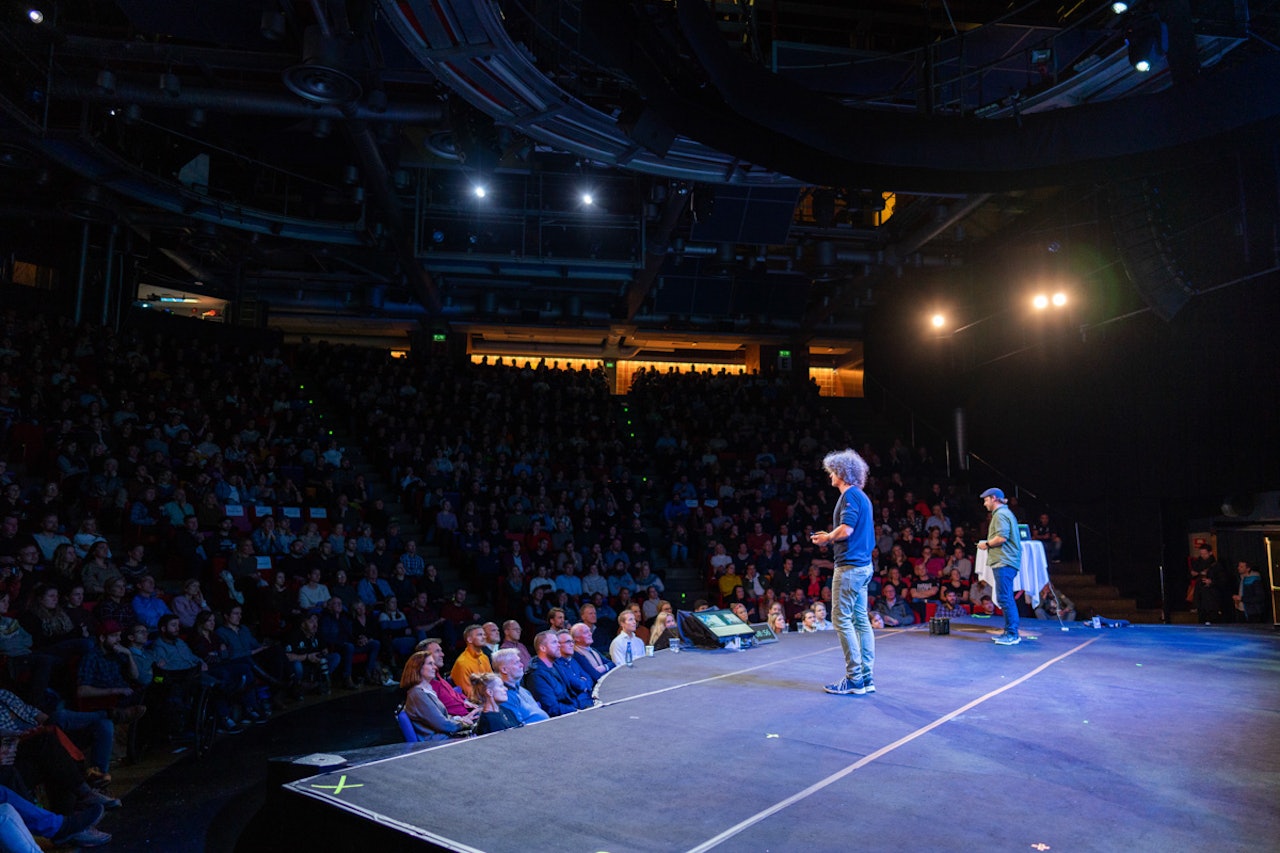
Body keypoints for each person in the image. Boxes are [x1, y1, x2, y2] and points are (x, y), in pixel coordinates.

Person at [810, 448, 877, 696]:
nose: (829, 475)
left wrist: (827, 537)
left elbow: (846, 530)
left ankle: (854, 679)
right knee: (860, 620)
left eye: (831, 471)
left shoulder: (850, 497)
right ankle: (866, 677)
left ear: (841, 472)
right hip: (862, 566)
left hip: (850, 568)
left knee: (841, 619)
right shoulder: (861, 497)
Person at [397, 651, 476, 741]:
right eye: (430, 664)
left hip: (445, 735)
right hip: (438, 742)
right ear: (418, 668)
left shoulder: (427, 690)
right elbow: (442, 724)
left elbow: (442, 718)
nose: (435, 667)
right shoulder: (417, 694)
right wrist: (463, 723)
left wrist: (460, 718)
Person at [978, 488, 1022, 645]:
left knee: (1004, 597)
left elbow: (1002, 537)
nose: (984, 504)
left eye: (986, 500)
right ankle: (1009, 632)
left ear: (993, 498)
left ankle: (1012, 634)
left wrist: (986, 544)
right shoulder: (1005, 513)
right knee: (1006, 597)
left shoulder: (1000, 514)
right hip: (1005, 561)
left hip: (1004, 561)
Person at [490, 648, 549, 725]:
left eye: (520, 661)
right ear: (504, 669)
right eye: (516, 663)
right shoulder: (503, 696)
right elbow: (518, 728)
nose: (522, 665)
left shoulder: (523, 691)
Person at [449, 624, 494, 700]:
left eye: (484, 634)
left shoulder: (484, 657)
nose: (484, 637)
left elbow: (492, 681)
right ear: (469, 640)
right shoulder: (462, 663)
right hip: (476, 703)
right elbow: (470, 694)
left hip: (489, 697)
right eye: (480, 635)